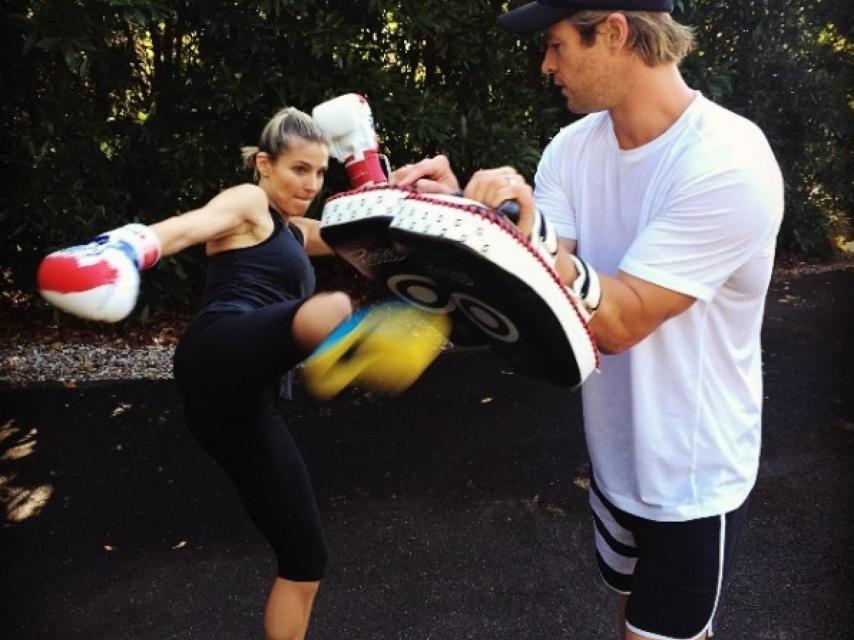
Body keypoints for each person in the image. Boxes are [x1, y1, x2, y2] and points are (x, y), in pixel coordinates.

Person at [391, 2, 784, 639]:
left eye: (556, 45)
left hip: (691, 476)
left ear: (614, 32)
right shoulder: (573, 149)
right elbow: (546, 288)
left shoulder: (729, 161)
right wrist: (466, 218)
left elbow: (620, 322)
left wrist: (523, 230)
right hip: (614, 457)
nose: (546, 65)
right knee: (631, 617)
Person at [36, 107, 440, 640]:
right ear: (266, 165)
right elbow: (191, 226)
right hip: (217, 350)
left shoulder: (296, 232)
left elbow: (363, 238)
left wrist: (397, 190)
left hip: (241, 404)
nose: (312, 184)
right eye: (300, 169)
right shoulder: (249, 204)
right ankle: (344, 353)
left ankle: (344, 352)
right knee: (333, 306)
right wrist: (127, 248)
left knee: (305, 558)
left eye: (321, 172)